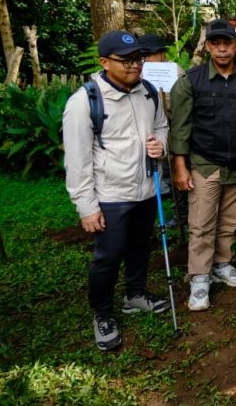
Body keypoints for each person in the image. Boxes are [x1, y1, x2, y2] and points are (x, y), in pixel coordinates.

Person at [63, 30, 170, 351]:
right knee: (108, 257)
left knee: (141, 246)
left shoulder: (148, 91)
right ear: (104, 62)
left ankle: (134, 294)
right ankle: (103, 313)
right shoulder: (84, 101)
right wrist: (86, 206)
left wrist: (160, 144)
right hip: (110, 195)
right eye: (126, 60)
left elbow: (161, 125)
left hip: (146, 188)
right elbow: (77, 159)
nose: (135, 65)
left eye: (138, 58)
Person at [170, 19, 236, 311]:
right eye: (216, 43)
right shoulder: (191, 81)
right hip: (205, 164)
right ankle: (199, 277)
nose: (222, 49)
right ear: (208, 46)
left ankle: (222, 263)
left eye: (227, 43)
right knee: (201, 223)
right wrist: (180, 166)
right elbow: (180, 127)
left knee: (230, 221)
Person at [139, 33, 189, 228]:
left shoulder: (175, 72)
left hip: (175, 132)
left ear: (161, 54)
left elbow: (180, 106)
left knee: (177, 173)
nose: (145, 59)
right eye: (143, 56)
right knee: (161, 174)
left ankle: (183, 216)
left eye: (148, 55)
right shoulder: (141, 72)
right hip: (152, 133)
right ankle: (172, 214)